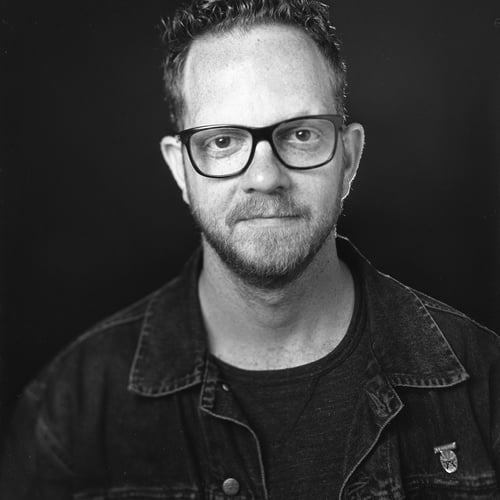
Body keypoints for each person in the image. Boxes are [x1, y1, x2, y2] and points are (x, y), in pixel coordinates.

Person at [1, 0, 499, 498]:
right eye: (222, 142)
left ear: (348, 158)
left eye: (300, 134)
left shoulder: (486, 380)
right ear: (180, 169)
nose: (264, 177)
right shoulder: (73, 405)